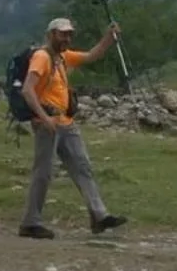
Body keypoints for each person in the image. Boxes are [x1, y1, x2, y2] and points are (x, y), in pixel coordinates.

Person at [17, 17, 130, 240]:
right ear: (51, 35)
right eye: (62, 34)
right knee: (43, 173)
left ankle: (99, 216)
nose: (67, 38)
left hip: (66, 123)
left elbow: (91, 56)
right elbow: (28, 90)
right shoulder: (42, 57)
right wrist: (43, 118)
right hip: (48, 124)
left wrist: (109, 37)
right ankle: (30, 223)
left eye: (69, 34)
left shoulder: (62, 57)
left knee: (82, 167)